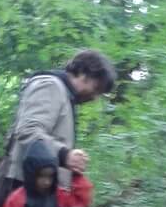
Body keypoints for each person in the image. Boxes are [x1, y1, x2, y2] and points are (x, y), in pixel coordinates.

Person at [9, 50, 117, 192]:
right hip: (24, 191)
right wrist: (65, 155)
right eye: (96, 88)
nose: (95, 97)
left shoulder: (64, 94)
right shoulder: (50, 86)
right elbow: (28, 130)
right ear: (83, 73)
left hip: (38, 191)